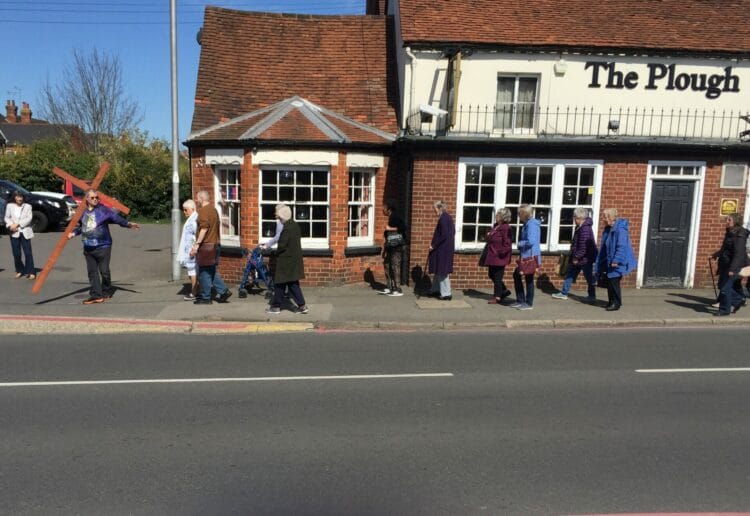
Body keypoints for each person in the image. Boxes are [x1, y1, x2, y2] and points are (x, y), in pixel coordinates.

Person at [67, 189, 140, 304]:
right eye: (92, 198)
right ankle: (96, 295)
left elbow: (116, 218)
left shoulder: (103, 210)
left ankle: (106, 291)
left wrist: (128, 224)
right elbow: (84, 227)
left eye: (97, 198)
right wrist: (73, 233)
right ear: (86, 199)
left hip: (103, 246)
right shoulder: (83, 213)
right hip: (88, 246)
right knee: (92, 272)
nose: (95, 199)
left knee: (104, 271)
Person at [189, 190, 232, 305]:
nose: (196, 201)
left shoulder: (202, 211)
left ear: (202, 199)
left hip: (207, 246)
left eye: (197, 198)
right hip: (215, 244)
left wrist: (197, 244)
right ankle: (223, 291)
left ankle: (206, 297)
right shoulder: (213, 210)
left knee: (204, 272)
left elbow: (204, 228)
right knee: (211, 270)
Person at [265, 204, 308, 315]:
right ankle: (302, 306)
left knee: (280, 284)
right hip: (294, 259)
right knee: (293, 284)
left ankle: (275, 307)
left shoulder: (287, 228)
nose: (278, 219)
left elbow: (282, 245)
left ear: (283, 216)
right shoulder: (295, 225)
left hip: (286, 261)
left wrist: (273, 252)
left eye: (279, 217)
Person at [552, 207, 598, 303]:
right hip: (580, 257)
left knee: (589, 277)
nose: (573, 219)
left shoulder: (585, 229)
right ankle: (564, 293)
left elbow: (583, 246)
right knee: (570, 274)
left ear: (580, 218)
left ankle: (592, 296)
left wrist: (576, 257)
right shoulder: (580, 227)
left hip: (585, 258)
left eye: (574, 217)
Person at [596, 208, 637, 311]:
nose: (603, 219)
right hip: (609, 259)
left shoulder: (620, 229)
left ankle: (616, 303)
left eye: (604, 217)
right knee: (610, 281)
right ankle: (611, 302)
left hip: (617, 261)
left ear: (610, 217)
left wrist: (616, 260)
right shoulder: (608, 228)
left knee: (614, 282)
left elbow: (621, 246)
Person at [710, 213, 749, 316]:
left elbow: (739, 254)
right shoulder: (730, 232)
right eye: (727, 219)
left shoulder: (739, 235)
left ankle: (725, 309)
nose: (726, 221)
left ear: (735, 221)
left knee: (725, 288)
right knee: (723, 285)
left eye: (729, 220)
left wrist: (733, 269)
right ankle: (738, 300)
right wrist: (716, 254)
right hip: (726, 263)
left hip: (734, 264)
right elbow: (725, 248)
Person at [512, 204, 541, 310]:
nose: (518, 215)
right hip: (526, 255)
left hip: (530, 256)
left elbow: (531, 241)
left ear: (525, 214)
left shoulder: (531, 225)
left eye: (520, 213)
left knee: (528, 279)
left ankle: (528, 303)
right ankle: (521, 300)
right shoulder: (527, 224)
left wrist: (520, 243)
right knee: (517, 275)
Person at [4, 190, 35, 279]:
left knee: (28, 253)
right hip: (14, 232)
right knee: (16, 253)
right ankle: (19, 270)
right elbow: (7, 217)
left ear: (23, 198)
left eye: (21, 196)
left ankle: (31, 271)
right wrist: (10, 225)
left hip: (25, 231)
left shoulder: (28, 206)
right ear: (14, 197)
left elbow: (29, 218)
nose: (19, 198)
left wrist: (17, 224)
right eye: (17, 196)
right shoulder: (10, 206)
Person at [483, 208, 512, 304]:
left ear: (503, 217)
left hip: (499, 257)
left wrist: (500, 253)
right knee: (491, 275)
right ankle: (503, 290)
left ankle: (497, 297)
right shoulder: (496, 226)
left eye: (498, 215)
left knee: (497, 277)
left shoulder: (506, 228)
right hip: (492, 256)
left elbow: (507, 243)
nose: (496, 216)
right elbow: (490, 238)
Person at [428, 200, 455, 300]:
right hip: (445, 248)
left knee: (442, 271)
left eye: (434, 208)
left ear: (439, 208)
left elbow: (443, 235)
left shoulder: (443, 218)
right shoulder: (447, 217)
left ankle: (446, 293)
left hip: (442, 249)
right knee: (438, 270)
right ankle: (435, 290)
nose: (434, 210)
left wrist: (433, 245)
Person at [380, 199, 407, 297]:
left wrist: (390, 229)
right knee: (387, 264)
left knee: (395, 266)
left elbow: (404, 227)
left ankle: (397, 289)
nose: (383, 210)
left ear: (389, 208)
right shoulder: (391, 217)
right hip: (390, 246)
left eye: (384, 208)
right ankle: (390, 286)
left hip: (397, 246)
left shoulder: (396, 216)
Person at [177, 199, 199, 301]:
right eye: (184, 210)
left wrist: (195, 247)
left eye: (186, 210)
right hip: (189, 250)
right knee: (192, 271)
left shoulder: (194, 220)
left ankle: (194, 292)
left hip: (192, 251)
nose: (184, 212)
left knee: (192, 271)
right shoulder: (191, 218)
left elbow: (198, 234)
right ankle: (197, 290)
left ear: (192, 209)